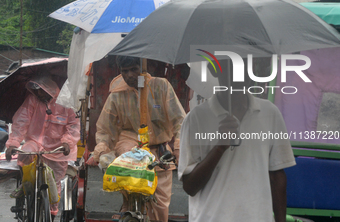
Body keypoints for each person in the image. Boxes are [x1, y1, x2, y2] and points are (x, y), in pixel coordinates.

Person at [178, 59, 296, 222]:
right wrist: (219, 147)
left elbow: (277, 175)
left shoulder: (270, 113)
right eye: (230, 66)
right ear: (215, 71)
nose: (239, 74)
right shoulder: (196, 119)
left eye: (246, 65)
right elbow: (190, 187)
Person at [93, 56, 186, 222]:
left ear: (143, 68)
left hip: (160, 153)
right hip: (129, 149)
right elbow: (105, 130)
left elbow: (180, 121)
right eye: (124, 71)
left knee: (160, 208)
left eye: (133, 69)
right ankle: (128, 205)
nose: (129, 75)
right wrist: (102, 151)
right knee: (127, 155)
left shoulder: (161, 87)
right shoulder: (116, 94)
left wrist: (179, 148)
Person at [5, 75, 80, 220]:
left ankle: (51, 212)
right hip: (35, 143)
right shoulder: (32, 100)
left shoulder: (66, 101)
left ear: (50, 88)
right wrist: (13, 143)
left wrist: (67, 142)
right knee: (25, 152)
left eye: (41, 90)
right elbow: (21, 121)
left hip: (58, 148)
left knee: (55, 183)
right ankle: (25, 185)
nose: (39, 94)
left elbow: (74, 124)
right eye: (36, 90)